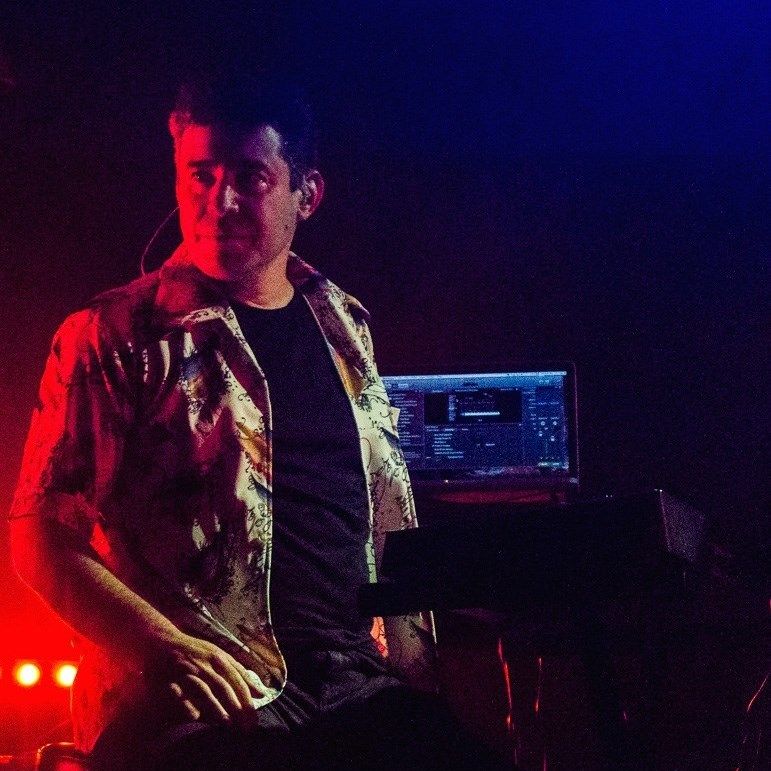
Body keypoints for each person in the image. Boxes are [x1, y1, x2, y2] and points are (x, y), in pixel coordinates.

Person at [10, 70, 509, 769]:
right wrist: (162, 647)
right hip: (201, 693)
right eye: (201, 175)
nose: (220, 201)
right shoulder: (112, 336)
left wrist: (417, 664)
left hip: (353, 687)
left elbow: (382, 512)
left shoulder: (345, 324)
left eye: (250, 178)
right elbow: (38, 534)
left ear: (308, 194)